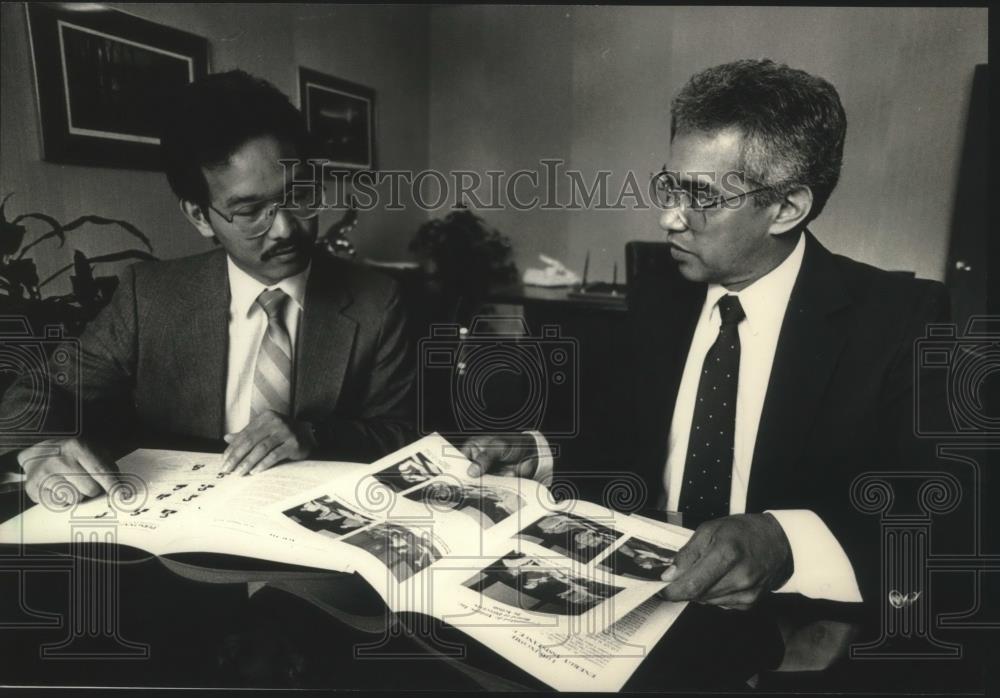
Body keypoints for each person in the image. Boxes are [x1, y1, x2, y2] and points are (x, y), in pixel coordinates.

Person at [461, 59, 949, 612]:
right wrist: (540, 451)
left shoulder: (904, 319)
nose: (669, 218)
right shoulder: (662, 289)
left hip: (785, 623)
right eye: (670, 186)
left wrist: (786, 541)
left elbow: (935, 511)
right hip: (632, 587)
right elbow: (627, 438)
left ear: (787, 208)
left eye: (702, 197)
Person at [2, 70, 416, 505]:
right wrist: (40, 451)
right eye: (250, 210)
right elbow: (45, 387)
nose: (286, 228)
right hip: (181, 547)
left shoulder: (378, 301)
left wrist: (314, 433)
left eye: (300, 194)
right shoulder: (151, 295)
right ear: (200, 216)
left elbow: (404, 433)